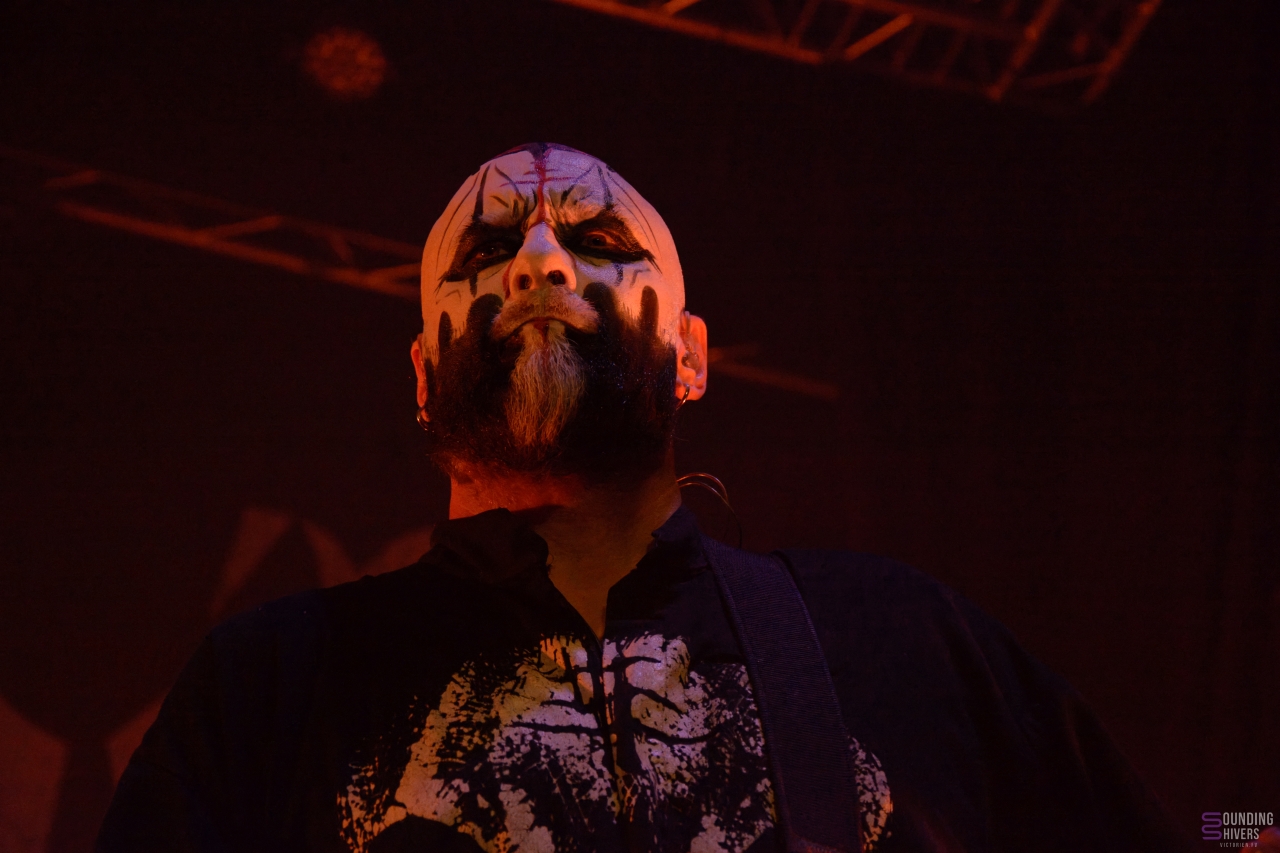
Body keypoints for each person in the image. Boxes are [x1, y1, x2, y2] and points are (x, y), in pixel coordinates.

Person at [97, 143, 1189, 853]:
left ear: (690, 356)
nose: (539, 265)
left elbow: (1213, 824)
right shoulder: (274, 684)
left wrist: (1254, 815)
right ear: (424, 376)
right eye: (489, 248)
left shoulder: (893, 633)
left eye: (597, 242)